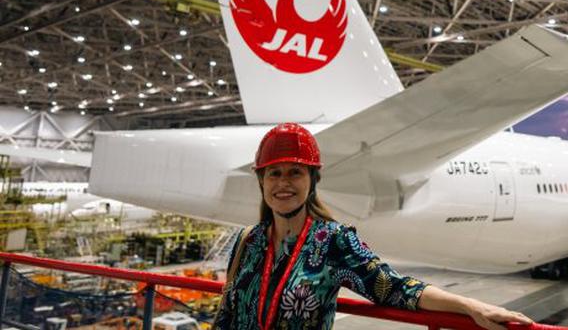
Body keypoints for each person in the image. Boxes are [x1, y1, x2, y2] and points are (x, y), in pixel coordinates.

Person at [213, 123, 534, 330]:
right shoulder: (248, 240)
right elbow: (226, 314)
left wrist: (469, 306)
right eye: (274, 173)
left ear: (312, 181)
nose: (283, 183)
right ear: (262, 182)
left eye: (295, 172)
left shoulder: (332, 242)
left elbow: (394, 287)